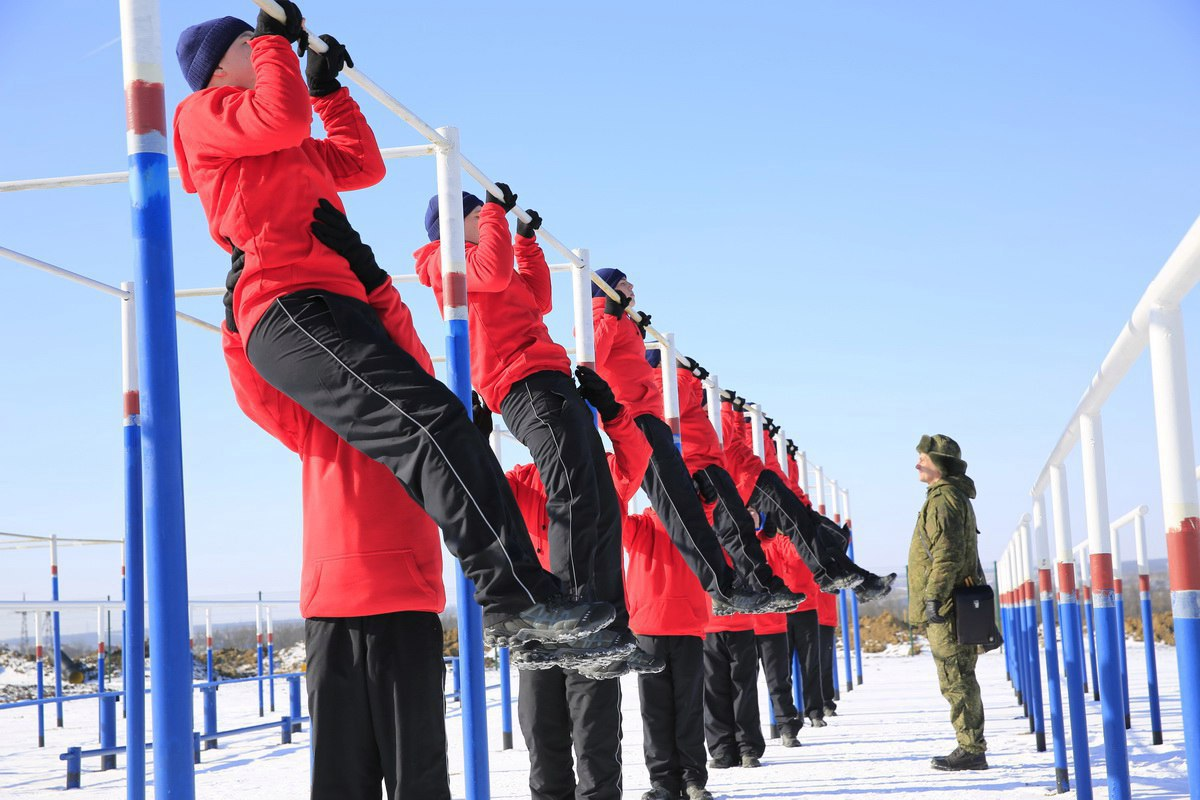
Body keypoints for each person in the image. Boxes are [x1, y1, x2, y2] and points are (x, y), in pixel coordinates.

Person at [173, 5, 612, 647]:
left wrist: (329, 92)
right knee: (431, 425)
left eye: (258, 40)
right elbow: (280, 113)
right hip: (287, 303)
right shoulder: (202, 114)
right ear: (217, 67)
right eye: (247, 43)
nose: (264, 48)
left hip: (335, 302)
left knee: (447, 423)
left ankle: (527, 596)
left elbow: (360, 163)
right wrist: (275, 45)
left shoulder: (286, 144)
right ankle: (514, 601)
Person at [221, 264, 452, 798]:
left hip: (404, 607)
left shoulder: (409, 408)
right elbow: (258, 391)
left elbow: (411, 355)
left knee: (418, 777)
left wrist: (377, 288)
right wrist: (236, 330)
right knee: (338, 781)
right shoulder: (313, 418)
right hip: (332, 614)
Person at [414, 190, 628, 662]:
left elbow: (539, 297)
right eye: (475, 215)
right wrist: (496, 214)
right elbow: (490, 271)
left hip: (548, 374)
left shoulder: (492, 255)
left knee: (595, 491)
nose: (486, 220)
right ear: (454, 225)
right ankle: (566, 607)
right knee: (570, 487)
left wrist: (527, 242)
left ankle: (595, 613)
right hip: (520, 381)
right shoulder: (443, 260)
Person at [495, 371, 660, 800]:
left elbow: (636, 461)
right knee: (540, 732)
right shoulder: (521, 480)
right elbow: (483, 491)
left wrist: (612, 414)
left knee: (596, 738)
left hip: (592, 628)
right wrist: (474, 439)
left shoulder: (601, 473)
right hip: (541, 628)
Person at [589, 268, 769, 616]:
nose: (632, 287)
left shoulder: (623, 321)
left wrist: (630, 325)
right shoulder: (598, 318)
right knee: (680, 511)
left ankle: (725, 585)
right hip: (635, 424)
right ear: (607, 290)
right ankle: (724, 587)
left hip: (651, 420)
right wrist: (613, 315)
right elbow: (590, 355)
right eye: (623, 283)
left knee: (689, 506)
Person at [909, 434, 988, 771]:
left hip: (948, 606)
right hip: (953, 602)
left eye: (923, 459)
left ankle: (971, 749)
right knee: (958, 674)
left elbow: (947, 555)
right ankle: (970, 745)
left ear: (940, 466)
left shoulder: (943, 500)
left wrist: (933, 598)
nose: (917, 464)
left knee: (955, 676)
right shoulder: (949, 497)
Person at [753, 511, 804, 747]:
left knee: (779, 682)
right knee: (741, 688)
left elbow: (795, 556)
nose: (749, 516)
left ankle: (787, 728)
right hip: (741, 628)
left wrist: (788, 526)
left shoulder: (774, 541)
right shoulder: (729, 541)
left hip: (772, 625)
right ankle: (746, 739)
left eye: (753, 511)